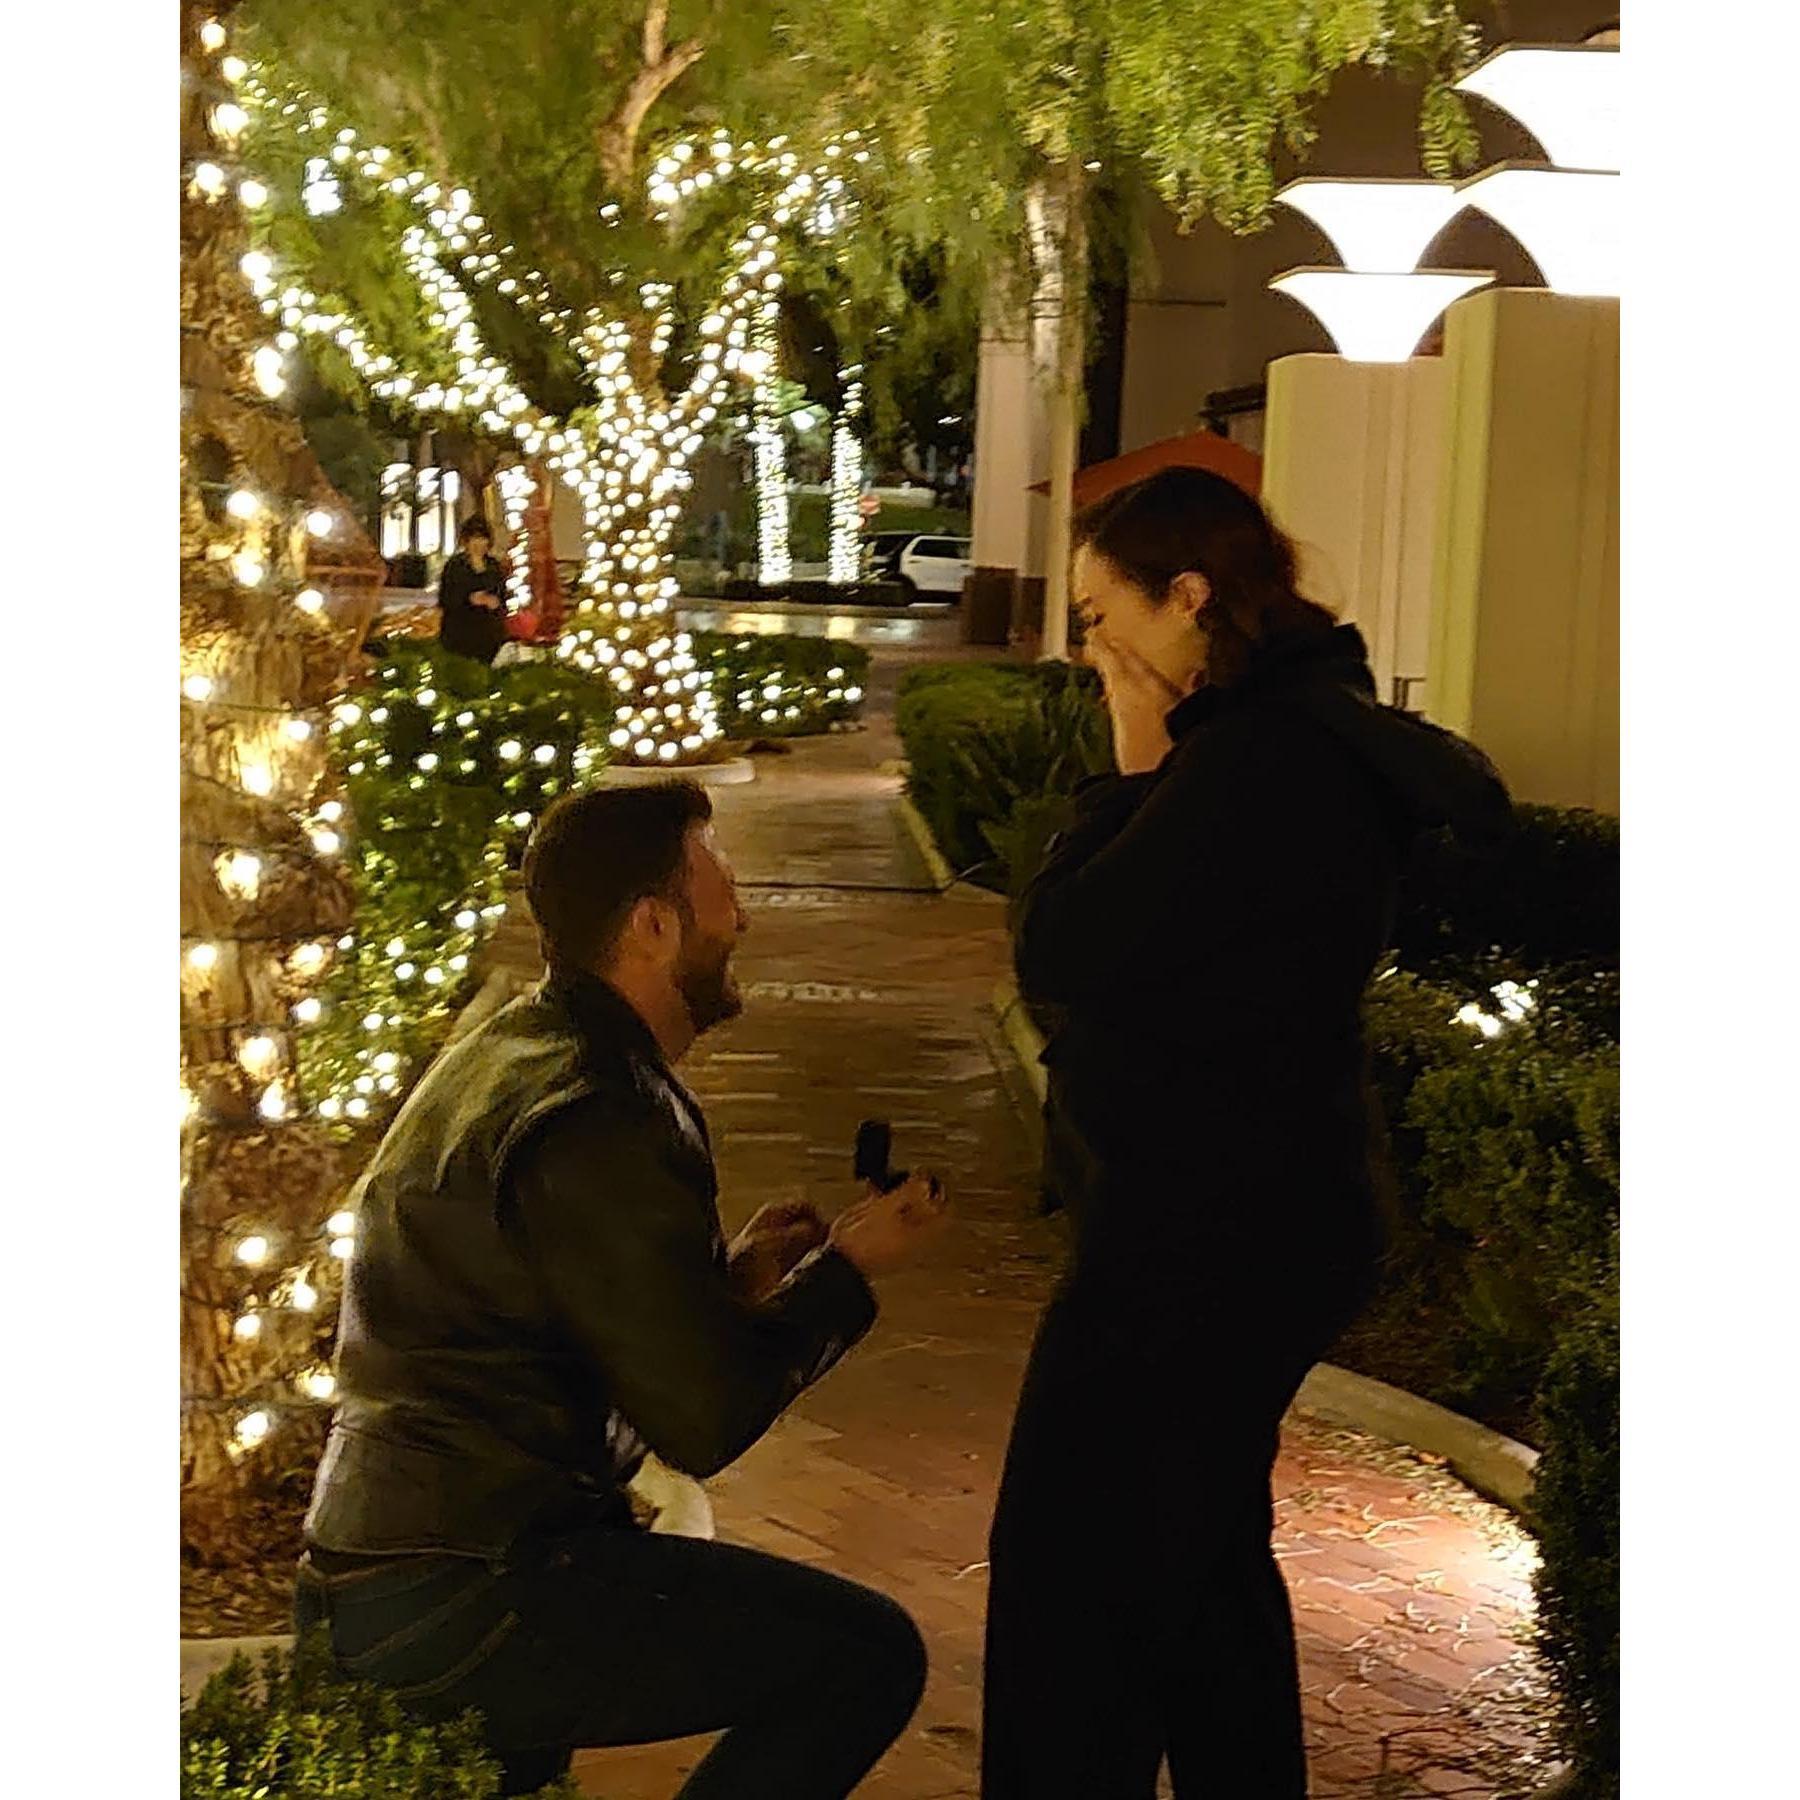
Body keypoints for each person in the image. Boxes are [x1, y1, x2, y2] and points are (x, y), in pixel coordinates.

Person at [981, 468, 1511, 1798]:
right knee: (1200, 1555)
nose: (1093, 651)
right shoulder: (1290, 737)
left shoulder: (1253, 760)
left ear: (1188, 599)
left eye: (1105, 619)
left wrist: (1126, 771)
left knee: (1077, 1565)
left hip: (1205, 1234)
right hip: (1249, 1216)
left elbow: (1069, 949)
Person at [296, 781, 950, 1798]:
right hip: (483, 1582)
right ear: (652, 924)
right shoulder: (606, 1105)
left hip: (397, 1560)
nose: (743, 912)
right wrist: (847, 1275)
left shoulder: (510, 1045)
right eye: (721, 882)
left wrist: (724, 1280)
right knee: (865, 1658)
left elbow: (526, 1303)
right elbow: (702, 1418)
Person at [437, 514, 510, 664]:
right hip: (460, 632)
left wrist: (495, 602)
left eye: (482, 538)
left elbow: (502, 595)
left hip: (487, 634)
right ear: (466, 541)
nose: (478, 543)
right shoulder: (455, 566)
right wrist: (469, 599)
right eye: (474, 538)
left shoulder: (493, 566)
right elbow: (445, 598)